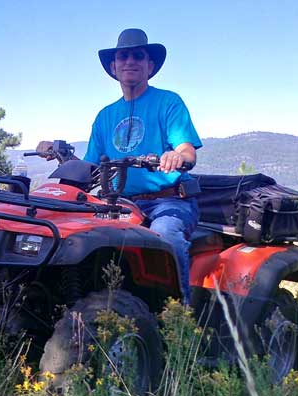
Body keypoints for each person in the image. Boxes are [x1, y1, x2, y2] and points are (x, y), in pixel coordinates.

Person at [37, 28, 202, 304]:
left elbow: (188, 151)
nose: (130, 61)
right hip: (117, 204)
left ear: (150, 65)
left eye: (138, 55)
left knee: (166, 237)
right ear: (114, 67)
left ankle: (179, 317)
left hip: (167, 202)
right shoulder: (105, 116)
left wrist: (176, 156)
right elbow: (90, 167)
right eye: (123, 56)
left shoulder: (168, 102)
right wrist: (56, 152)